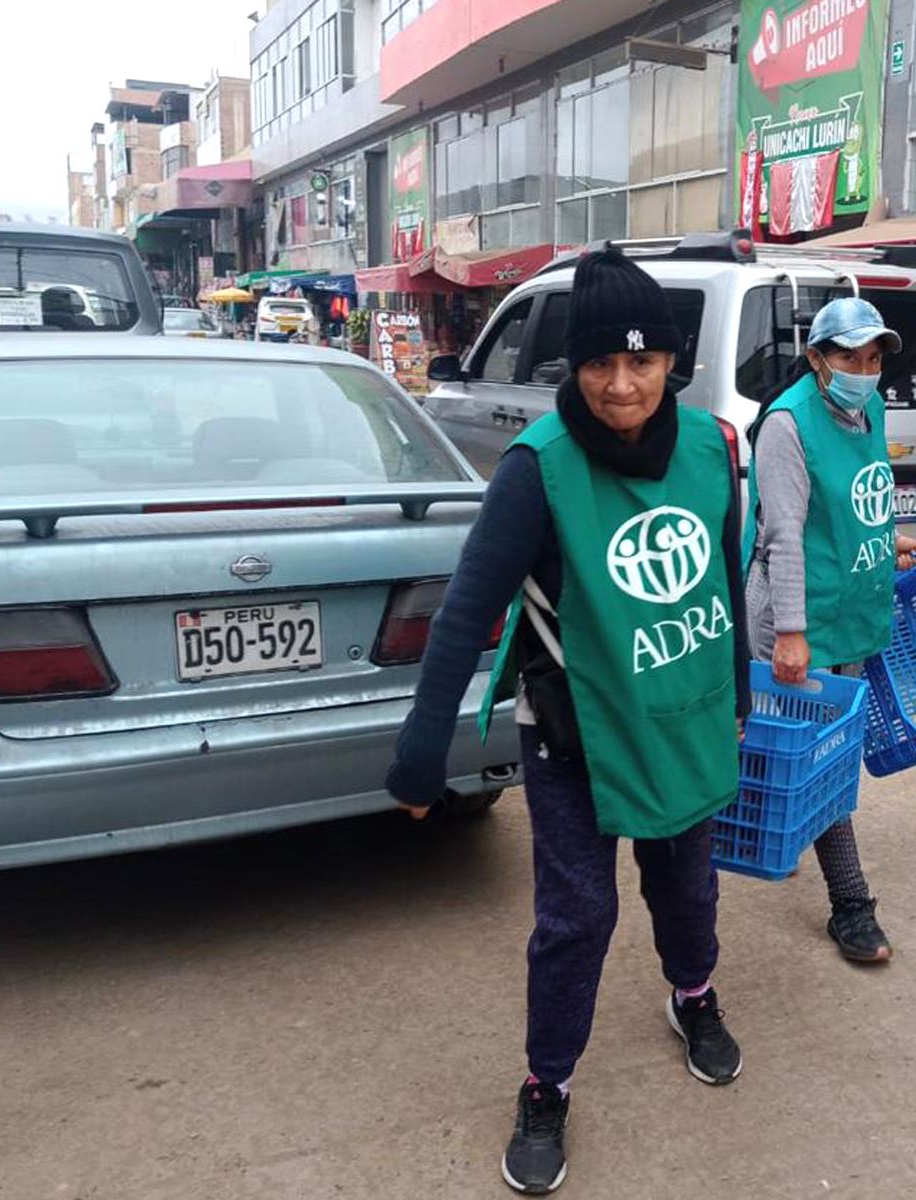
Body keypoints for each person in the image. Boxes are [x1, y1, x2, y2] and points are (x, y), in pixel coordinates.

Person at [386, 248, 748, 1195]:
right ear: (573, 371)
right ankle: (547, 1083)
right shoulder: (537, 469)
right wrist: (424, 751)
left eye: (641, 362)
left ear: (672, 361)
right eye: (598, 366)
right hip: (574, 732)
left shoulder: (715, 449)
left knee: (690, 893)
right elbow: (467, 610)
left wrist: (741, 689)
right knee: (575, 919)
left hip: (683, 712)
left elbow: (720, 580)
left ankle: (693, 994)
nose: (621, 385)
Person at [744, 297, 916, 964]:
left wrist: (886, 535)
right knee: (822, 761)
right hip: (801, 616)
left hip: (847, 608)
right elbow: (784, 533)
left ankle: (780, 833)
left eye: (874, 358)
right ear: (817, 359)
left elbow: (857, 496)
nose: (865, 369)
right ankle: (852, 907)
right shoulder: (787, 425)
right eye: (849, 356)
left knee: (803, 753)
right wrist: (791, 631)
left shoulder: (868, 410)